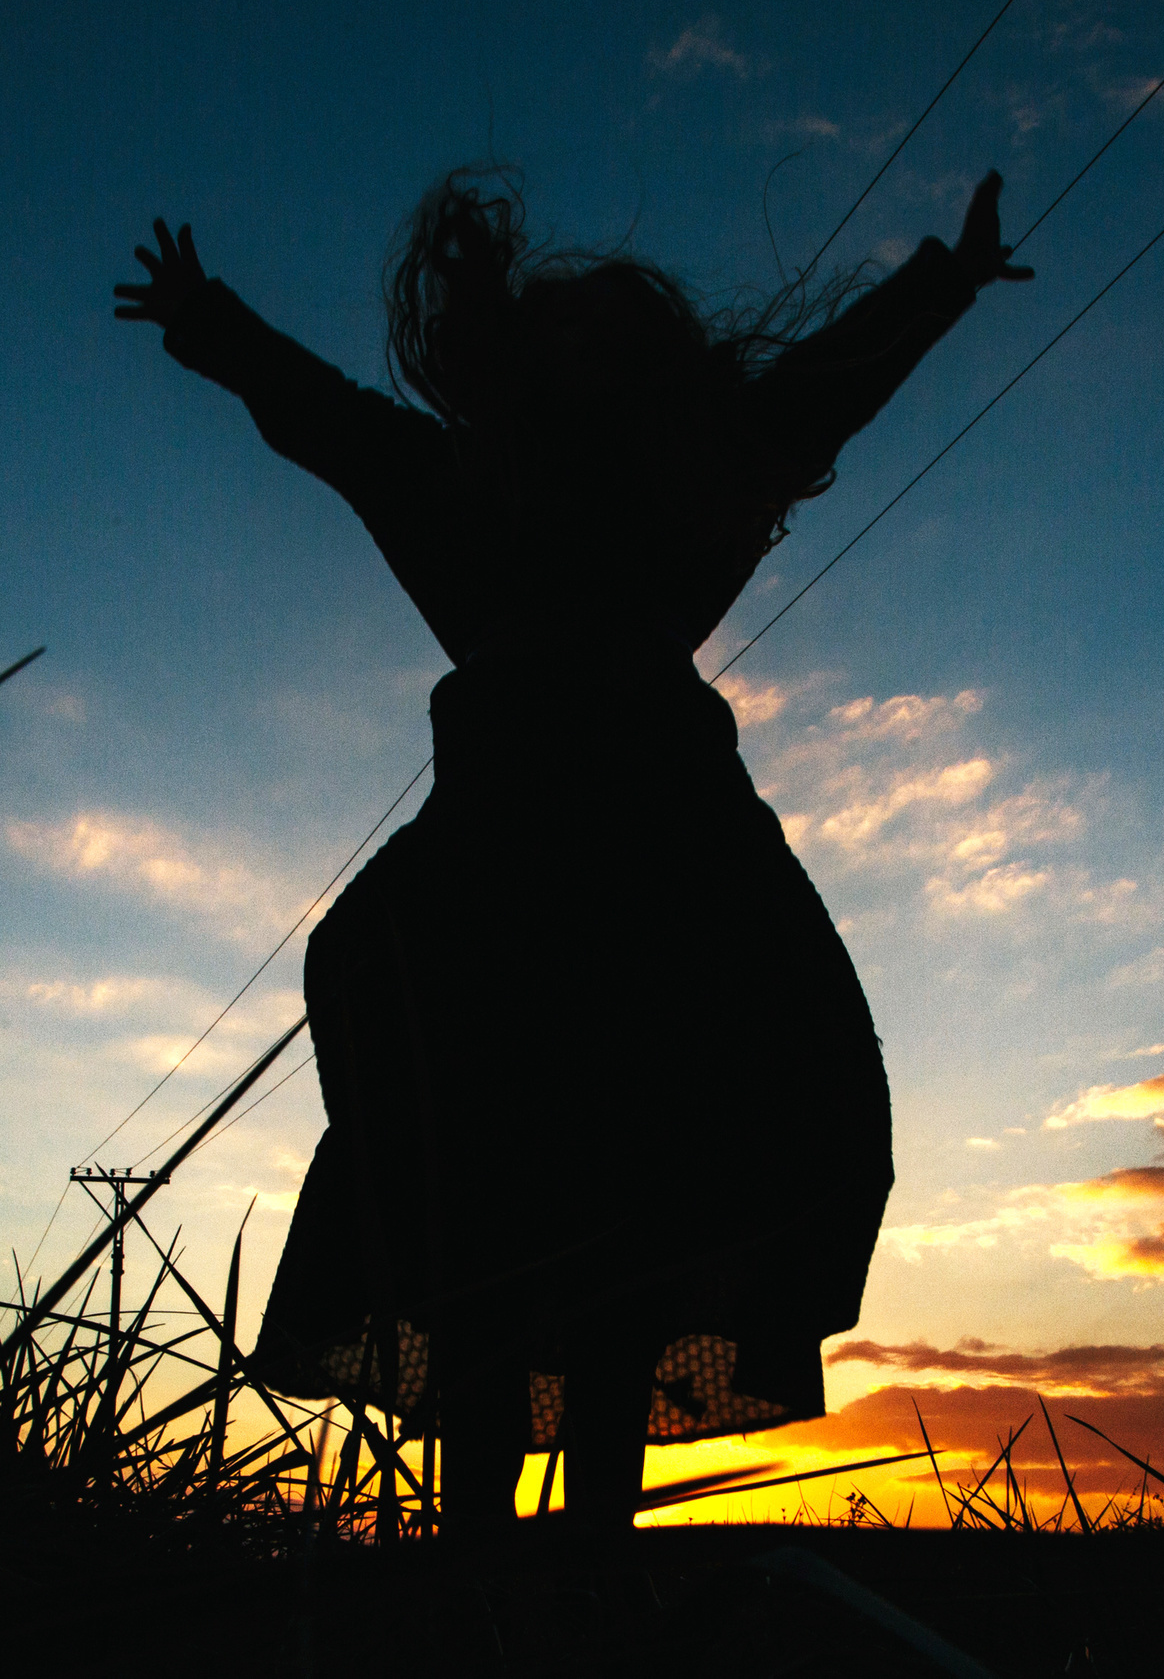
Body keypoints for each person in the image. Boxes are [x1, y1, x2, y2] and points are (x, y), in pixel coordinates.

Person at [115, 168, 1029, 1537]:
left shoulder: (686, 491)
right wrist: (214, 322)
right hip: (498, 895)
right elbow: (328, 420)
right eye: (562, 337)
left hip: (671, 888)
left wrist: (941, 285)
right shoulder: (462, 488)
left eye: (610, 340)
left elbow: (823, 389)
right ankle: (484, 1561)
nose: (584, 358)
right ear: (517, 363)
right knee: (490, 1241)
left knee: (627, 1242)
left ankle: (590, 1562)